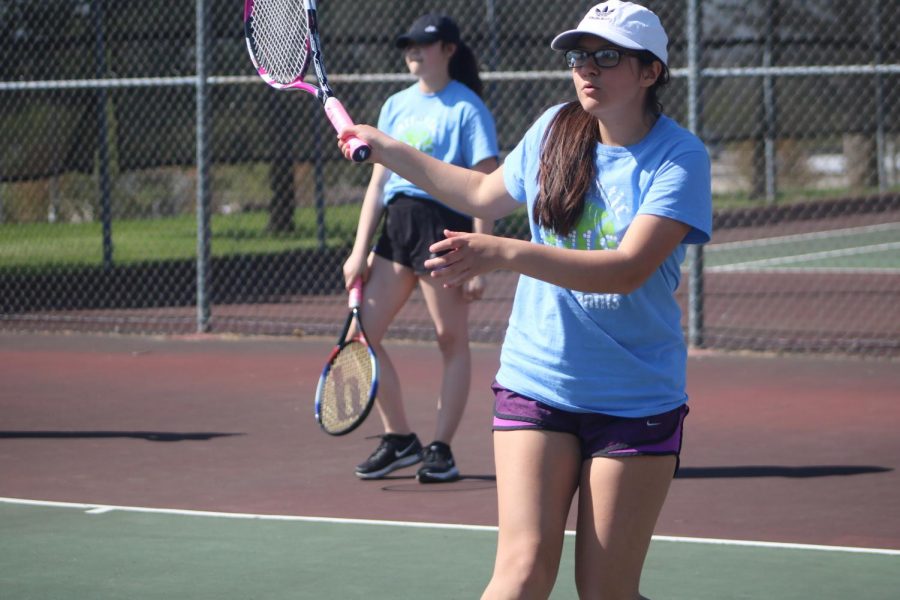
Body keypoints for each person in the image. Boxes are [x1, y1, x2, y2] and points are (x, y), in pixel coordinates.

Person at [340, 1, 712, 595]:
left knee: (606, 592)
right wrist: (390, 149)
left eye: (607, 55)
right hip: (537, 379)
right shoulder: (552, 128)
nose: (587, 68)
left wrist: (503, 254)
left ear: (650, 72)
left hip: (634, 395)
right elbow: (485, 192)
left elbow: (626, 269)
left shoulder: (680, 157)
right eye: (579, 55)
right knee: (519, 575)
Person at [344, 14, 499, 484]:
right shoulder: (395, 106)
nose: (413, 51)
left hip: (444, 229)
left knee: (449, 340)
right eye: (408, 45)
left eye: (423, 45)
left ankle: (442, 450)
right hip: (397, 229)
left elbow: (487, 186)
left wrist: (481, 257)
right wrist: (359, 249)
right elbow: (377, 185)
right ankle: (400, 439)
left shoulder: (468, 109)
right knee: (360, 337)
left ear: (448, 49)